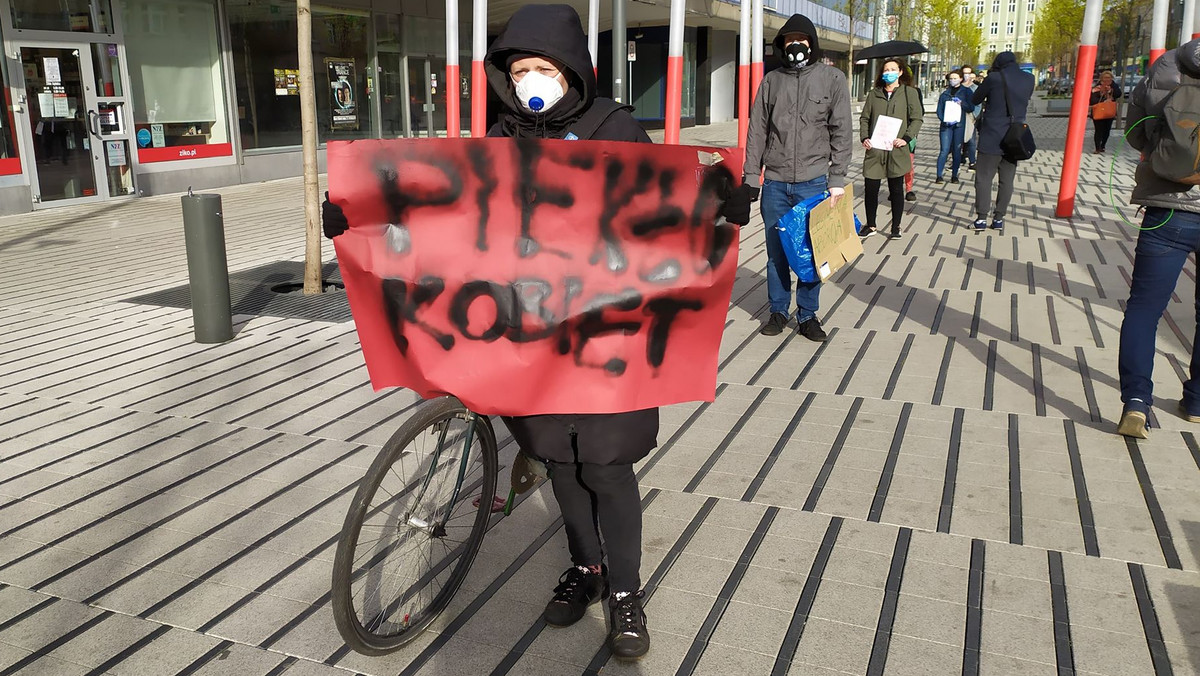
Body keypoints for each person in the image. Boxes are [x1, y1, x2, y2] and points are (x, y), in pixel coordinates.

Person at [320, 4, 754, 660]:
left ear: (571, 69)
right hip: (530, 341)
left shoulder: (616, 129)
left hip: (608, 338)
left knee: (605, 467)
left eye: (542, 67)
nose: (530, 80)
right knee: (559, 463)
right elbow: (448, 220)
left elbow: (666, 210)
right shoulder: (500, 140)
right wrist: (359, 216)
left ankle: (626, 591)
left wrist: (719, 204)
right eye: (519, 68)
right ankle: (587, 567)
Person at [743, 13, 853, 341]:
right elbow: (757, 131)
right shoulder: (771, 81)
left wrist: (837, 179)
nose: (796, 45)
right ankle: (777, 310)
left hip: (814, 182)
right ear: (781, 44)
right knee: (776, 251)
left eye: (801, 40)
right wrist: (751, 176)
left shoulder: (833, 81)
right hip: (776, 183)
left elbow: (842, 132)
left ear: (812, 44)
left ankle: (808, 315)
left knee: (811, 252)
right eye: (789, 40)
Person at [1115, 37, 1200, 438]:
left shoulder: (1165, 64)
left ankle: (1135, 401)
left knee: (1145, 309)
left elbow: (1133, 132)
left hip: (1167, 207)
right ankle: (1197, 400)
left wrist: (1160, 150)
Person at [859, 57, 923, 240]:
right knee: (871, 188)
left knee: (896, 189)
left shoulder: (909, 93)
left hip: (897, 149)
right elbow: (865, 118)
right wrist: (864, 137)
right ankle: (871, 225)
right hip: (876, 149)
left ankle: (896, 226)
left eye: (893, 69)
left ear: (900, 72)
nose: (889, 73)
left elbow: (917, 118)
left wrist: (906, 138)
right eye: (886, 70)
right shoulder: (874, 94)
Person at [970, 51, 1033, 232]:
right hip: (1015, 137)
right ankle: (999, 218)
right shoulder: (1028, 79)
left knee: (984, 178)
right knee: (1007, 180)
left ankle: (981, 218)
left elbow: (976, 99)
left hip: (992, 136)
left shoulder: (994, 78)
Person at [935, 69, 973, 184]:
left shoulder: (966, 92)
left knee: (957, 150)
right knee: (944, 150)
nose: (952, 80)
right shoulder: (945, 93)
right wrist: (943, 119)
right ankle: (939, 175)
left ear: (961, 79)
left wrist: (962, 104)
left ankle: (954, 175)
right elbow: (939, 110)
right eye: (951, 78)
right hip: (946, 125)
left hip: (959, 125)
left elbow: (971, 107)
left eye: (955, 78)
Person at [900, 65, 923, 202]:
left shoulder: (914, 92)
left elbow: (920, 113)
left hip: (908, 133)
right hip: (891, 132)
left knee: (908, 162)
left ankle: (909, 189)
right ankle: (895, 186)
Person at [1089, 70, 1122, 153]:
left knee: (1107, 130)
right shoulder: (1096, 88)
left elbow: (1118, 94)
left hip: (1109, 111)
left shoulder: (1114, 86)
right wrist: (1102, 94)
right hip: (1099, 111)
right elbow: (1092, 100)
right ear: (1101, 79)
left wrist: (1111, 91)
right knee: (1098, 130)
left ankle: (1103, 145)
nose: (1107, 80)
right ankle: (1097, 147)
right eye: (1105, 78)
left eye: (1109, 78)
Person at [961, 65, 980, 170]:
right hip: (958, 116)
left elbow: (978, 104)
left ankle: (972, 161)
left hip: (969, 116)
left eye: (968, 73)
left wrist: (974, 116)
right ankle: (959, 159)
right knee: (957, 140)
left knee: (971, 139)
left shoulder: (975, 88)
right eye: (964, 73)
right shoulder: (958, 87)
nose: (966, 75)